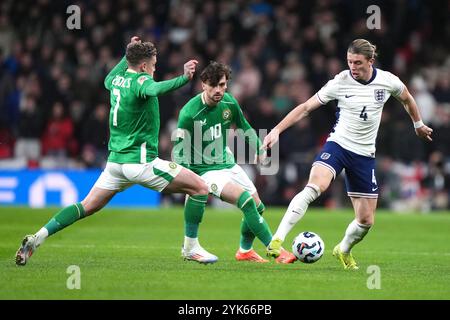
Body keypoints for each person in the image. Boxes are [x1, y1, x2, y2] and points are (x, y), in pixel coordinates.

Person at [15, 36, 210, 266]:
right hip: (141, 163)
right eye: (154, 65)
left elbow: (108, 78)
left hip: (116, 164)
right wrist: (184, 78)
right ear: (144, 66)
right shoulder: (141, 82)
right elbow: (156, 88)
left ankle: (37, 238)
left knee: (86, 206)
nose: (154, 69)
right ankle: (191, 248)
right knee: (200, 188)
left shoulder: (116, 80)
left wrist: (127, 53)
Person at [263, 39, 433, 269]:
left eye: (358, 62)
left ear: (371, 61)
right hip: (338, 146)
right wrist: (277, 130)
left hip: (364, 155)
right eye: (349, 61)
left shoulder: (387, 81)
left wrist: (418, 124)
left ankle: (343, 249)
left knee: (366, 221)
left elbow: (407, 99)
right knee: (315, 187)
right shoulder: (340, 82)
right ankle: (277, 240)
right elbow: (305, 107)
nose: (352, 67)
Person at [174, 61, 296, 264]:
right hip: (204, 171)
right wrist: (186, 179)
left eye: (222, 85)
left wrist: (258, 147)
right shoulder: (189, 113)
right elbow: (178, 149)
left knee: (258, 207)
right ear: (203, 84)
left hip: (227, 163)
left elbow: (243, 125)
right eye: (213, 85)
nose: (218, 90)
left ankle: (245, 251)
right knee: (245, 200)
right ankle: (274, 248)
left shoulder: (229, 103)